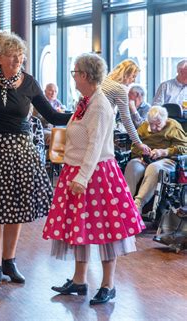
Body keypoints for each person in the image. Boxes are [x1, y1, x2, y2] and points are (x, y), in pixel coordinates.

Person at [0, 31, 71, 291]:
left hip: (20, 150)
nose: (18, 60)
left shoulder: (30, 82)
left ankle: (9, 262)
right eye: (13, 56)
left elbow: (53, 117)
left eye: (20, 56)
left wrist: (83, 113)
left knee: (16, 207)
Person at [42, 53, 145, 305]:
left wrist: (82, 177)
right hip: (78, 170)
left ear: (85, 76)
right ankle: (79, 280)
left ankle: (108, 285)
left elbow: (95, 146)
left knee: (106, 231)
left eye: (75, 72)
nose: (73, 77)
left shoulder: (98, 104)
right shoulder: (85, 101)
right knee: (81, 228)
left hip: (95, 173)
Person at [124, 105, 187, 214]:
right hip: (145, 158)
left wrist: (165, 151)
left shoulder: (173, 126)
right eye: (151, 124)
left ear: (165, 120)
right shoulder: (143, 127)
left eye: (158, 125)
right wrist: (142, 153)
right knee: (132, 165)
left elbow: (184, 148)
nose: (154, 128)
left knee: (154, 167)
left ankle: (138, 204)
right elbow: (134, 147)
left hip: (167, 160)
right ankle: (125, 201)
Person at [101, 59, 150, 154]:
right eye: (133, 76)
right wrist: (138, 143)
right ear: (126, 74)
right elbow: (126, 119)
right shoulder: (120, 89)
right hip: (102, 128)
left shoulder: (103, 81)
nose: (134, 80)